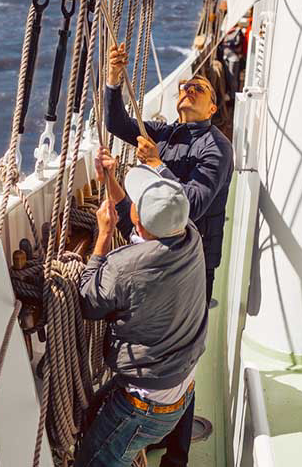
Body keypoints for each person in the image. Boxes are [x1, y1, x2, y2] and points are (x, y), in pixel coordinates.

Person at [104, 43, 234, 467]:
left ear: (213, 106)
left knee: (185, 355)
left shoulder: (216, 148)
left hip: (194, 262)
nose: (187, 88)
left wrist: (159, 166)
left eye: (198, 87)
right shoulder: (165, 131)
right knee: (160, 339)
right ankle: (162, 427)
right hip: (154, 256)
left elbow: (192, 205)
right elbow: (116, 121)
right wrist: (113, 79)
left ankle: (176, 456)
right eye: (184, 86)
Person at [74, 149, 208, 467]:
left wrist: (103, 234)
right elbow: (143, 222)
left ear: (139, 222)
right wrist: (110, 180)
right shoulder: (190, 236)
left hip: (143, 408)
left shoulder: (125, 268)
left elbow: (88, 302)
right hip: (179, 389)